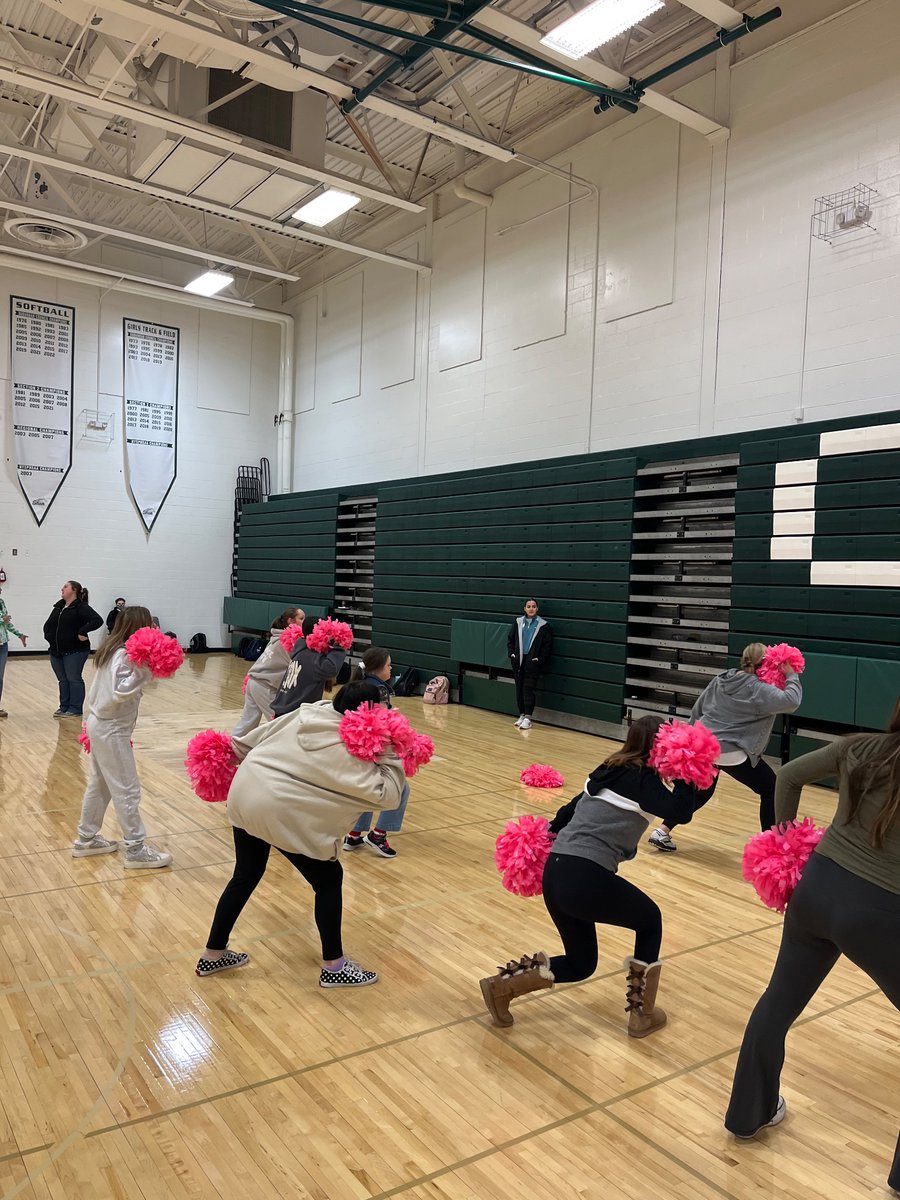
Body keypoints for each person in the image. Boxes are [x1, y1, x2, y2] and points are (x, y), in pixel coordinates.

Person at [724, 700, 900, 1192]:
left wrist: (782, 844)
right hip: (880, 911)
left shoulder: (860, 747)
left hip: (816, 887)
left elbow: (787, 777)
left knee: (777, 1003)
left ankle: (747, 1115)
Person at [479, 716, 696, 1034]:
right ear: (661, 745)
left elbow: (566, 813)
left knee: (581, 963)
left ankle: (500, 987)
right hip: (585, 875)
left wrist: (546, 837)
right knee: (650, 921)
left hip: (556, 872)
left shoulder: (610, 768)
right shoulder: (645, 780)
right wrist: (687, 768)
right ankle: (642, 1015)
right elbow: (682, 812)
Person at [196, 682, 404, 986]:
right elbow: (389, 795)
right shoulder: (349, 750)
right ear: (369, 715)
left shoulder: (311, 711)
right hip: (280, 810)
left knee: (246, 874)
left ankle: (212, 954)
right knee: (328, 880)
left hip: (245, 793)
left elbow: (247, 742)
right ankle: (334, 967)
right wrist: (391, 747)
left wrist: (231, 754)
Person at [648, 642, 802, 852]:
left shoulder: (722, 678)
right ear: (767, 663)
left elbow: (698, 708)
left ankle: (663, 830)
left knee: (702, 792)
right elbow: (792, 701)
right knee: (770, 789)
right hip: (731, 752)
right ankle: (771, 847)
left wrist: (692, 740)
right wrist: (791, 674)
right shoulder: (759, 689)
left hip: (705, 746)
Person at [71, 606, 172, 869]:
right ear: (140, 626)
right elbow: (120, 690)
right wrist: (147, 671)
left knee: (101, 785)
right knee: (127, 789)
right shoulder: (125, 655)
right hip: (111, 728)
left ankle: (86, 838)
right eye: (150, 622)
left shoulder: (112, 649)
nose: (154, 626)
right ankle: (135, 848)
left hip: (101, 724)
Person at [343, 648, 410, 859]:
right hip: (374, 748)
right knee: (400, 787)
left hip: (356, 746)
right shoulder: (379, 689)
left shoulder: (360, 684)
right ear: (379, 668)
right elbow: (380, 721)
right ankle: (378, 835)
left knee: (367, 788)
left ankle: (354, 834)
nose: (391, 669)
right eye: (389, 665)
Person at [232, 606, 305, 737]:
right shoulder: (289, 640)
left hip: (253, 681)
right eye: (301, 618)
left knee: (247, 722)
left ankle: (231, 747)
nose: (304, 622)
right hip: (264, 686)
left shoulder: (277, 637)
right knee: (279, 723)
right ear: (290, 621)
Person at [43, 581, 104, 718]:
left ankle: (75, 708)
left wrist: (83, 631)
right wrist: (49, 637)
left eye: (65, 586)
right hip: (56, 650)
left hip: (75, 650)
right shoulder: (59, 606)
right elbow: (49, 624)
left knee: (73, 678)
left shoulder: (81, 607)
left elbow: (97, 620)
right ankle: (64, 707)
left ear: (74, 590)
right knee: (63, 680)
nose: (62, 589)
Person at [270, 614, 348, 718]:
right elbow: (331, 669)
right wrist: (339, 645)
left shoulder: (301, 649)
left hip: (284, 709)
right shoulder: (312, 657)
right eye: (327, 632)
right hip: (292, 714)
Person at [507, 598, 552, 730]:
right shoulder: (518, 622)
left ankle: (528, 718)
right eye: (528, 606)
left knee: (528, 689)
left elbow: (547, 645)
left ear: (537, 609)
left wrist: (539, 659)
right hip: (519, 661)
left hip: (532, 662)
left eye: (533, 606)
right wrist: (512, 654)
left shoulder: (543, 625)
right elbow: (510, 639)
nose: (531, 608)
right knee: (519, 689)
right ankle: (521, 714)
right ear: (524, 609)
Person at [0, 585, 28, 718]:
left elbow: (6, 623)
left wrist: (19, 634)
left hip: (2, 645)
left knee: (0, 678)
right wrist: (1, 620)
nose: (1, 590)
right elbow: (3, 620)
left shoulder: (1, 602)